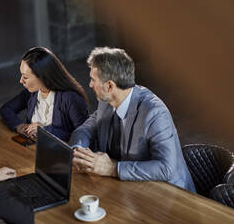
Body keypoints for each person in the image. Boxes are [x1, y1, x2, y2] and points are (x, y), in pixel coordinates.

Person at [70, 47, 196, 192]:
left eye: (93, 79)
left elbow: (166, 169)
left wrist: (113, 168)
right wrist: (78, 152)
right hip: (130, 187)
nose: (90, 84)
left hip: (170, 194)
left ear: (110, 86)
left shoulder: (154, 113)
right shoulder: (106, 101)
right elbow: (86, 129)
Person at [0, 47, 88, 141]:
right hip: (32, 150)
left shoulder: (71, 98)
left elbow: (83, 137)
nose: (21, 81)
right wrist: (19, 125)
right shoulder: (31, 93)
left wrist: (46, 132)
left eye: (25, 77)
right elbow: (6, 109)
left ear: (42, 77)